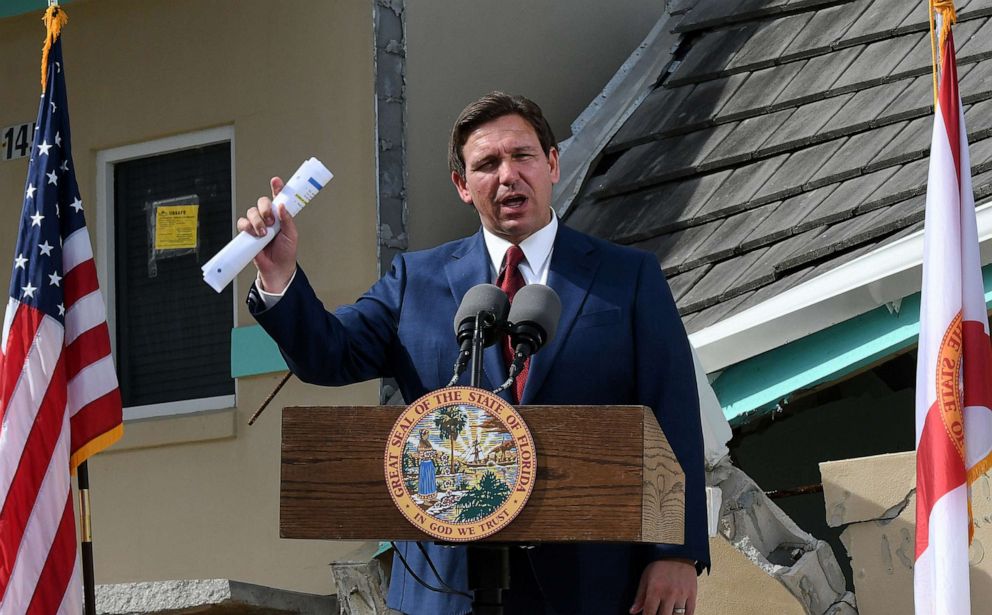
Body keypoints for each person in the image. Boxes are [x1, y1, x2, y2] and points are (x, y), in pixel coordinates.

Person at [240, 92, 709, 615]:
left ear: (552, 163)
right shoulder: (414, 281)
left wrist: (676, 554)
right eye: (486, 164)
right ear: (463, 186)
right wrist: (277, 275)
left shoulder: (629, 277)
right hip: (448, 586)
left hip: (591, 580)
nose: (507, 175)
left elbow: (671, 414)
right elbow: (328, 356)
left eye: (522, 156)